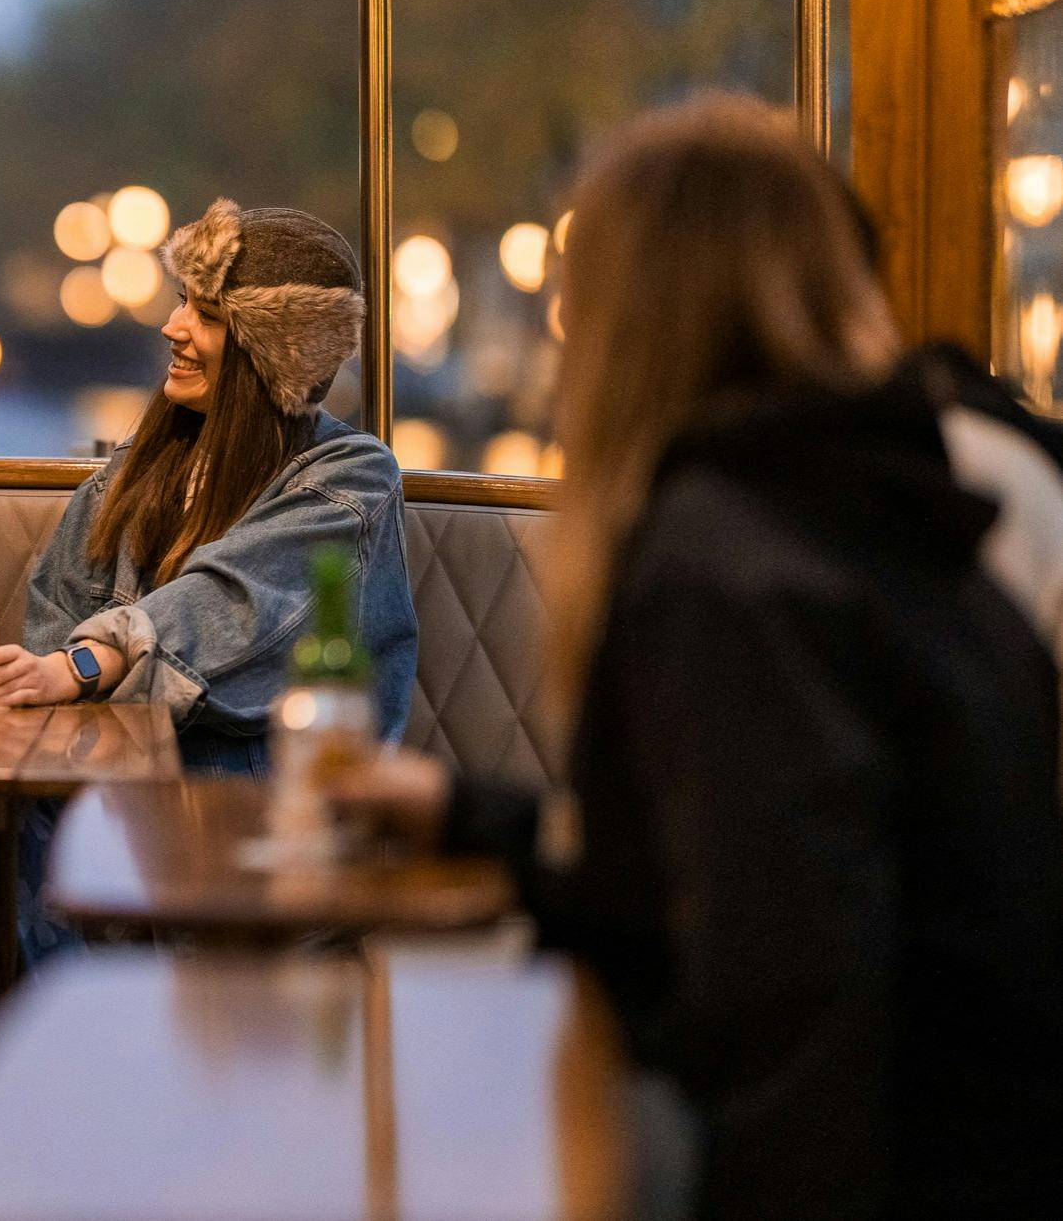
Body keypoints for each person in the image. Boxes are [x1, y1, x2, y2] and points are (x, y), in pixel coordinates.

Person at [331, 103, 1063, 1220]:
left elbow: (795, 1000)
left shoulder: (722, 557)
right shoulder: (869, 502)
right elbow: (697, 886)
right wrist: (462, 810)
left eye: (584, 283)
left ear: (643, 309)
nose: (563, 318)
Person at [0, 201, 415, 759]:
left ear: (269, 355)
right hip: (110, 784)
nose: (171, 327)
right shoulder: (134, 469)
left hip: (266, 805)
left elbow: (237, 602)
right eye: (183, 301)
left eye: (208, 316)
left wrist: (87, 663)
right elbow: (53, 623)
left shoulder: (352, 474)